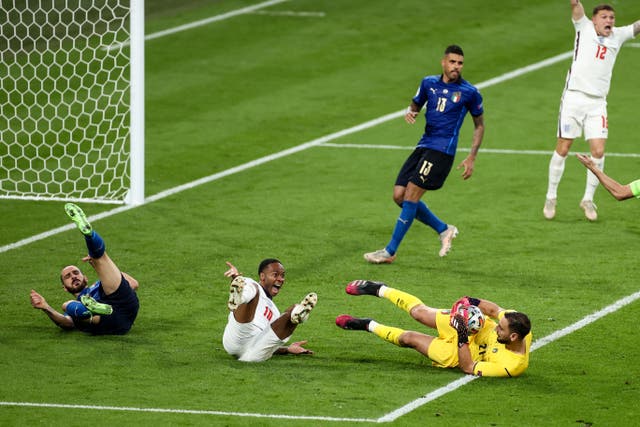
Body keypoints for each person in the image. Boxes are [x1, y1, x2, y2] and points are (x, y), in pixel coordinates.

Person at [364, 44, 484, 263]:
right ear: (443, 62)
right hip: (423, 146)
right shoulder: (428, 83)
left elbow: (479, 126)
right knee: (399, 196)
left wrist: (472, 156)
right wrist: (412, 112)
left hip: (442, 151)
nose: (456, 66)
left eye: (460, 63)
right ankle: (443, 229)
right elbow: (416, 103)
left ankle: (389, 251)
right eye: (453, 62)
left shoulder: (469, 92)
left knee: (411, 195)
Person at [543, 1, 640, 221]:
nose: (609, 21)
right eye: (605, 17)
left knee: (598, 151)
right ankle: (551, 196)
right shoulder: (583, 26)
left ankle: (587, 199)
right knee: (564, 146)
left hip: (598, 103)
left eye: (612, 17)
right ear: (594, 19)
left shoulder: (618, 35)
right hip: (574, 98)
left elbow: (636, 26)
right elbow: (575, 5)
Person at [336, 280, 532, 377]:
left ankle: (367, 324)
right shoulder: (516, 322)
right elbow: (493, 309)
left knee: (409, 339)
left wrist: (461, 333)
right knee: (419, 313)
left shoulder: (510, 367)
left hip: (462, 354)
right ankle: (379, 289)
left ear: (513, 336)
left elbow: (468, 367)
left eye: (501, 330)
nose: (497, 328)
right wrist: (470, 301)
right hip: (476, 327)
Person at [30, 203, 140, 335]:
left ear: (85, 278)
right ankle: (93, 310)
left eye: (76, 273)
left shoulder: (99, 284)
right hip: (107, 320)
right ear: (64, 287)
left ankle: (89, 234)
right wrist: (45, 307)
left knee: (99, 257)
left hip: (122, 303)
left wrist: (102, 269)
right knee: (66, 305)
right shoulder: (74, 307)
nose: (73, 277)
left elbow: (133, 284)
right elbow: (67, 323)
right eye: (68, 277)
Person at [222, 259, 317, 362]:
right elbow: (247, 286)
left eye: (282, 276)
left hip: (253, 353)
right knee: (252, 288)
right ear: (262, 276)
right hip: (239, 336)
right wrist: (235, 278)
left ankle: (298, 314)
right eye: (275, 275)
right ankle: (240, 297)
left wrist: (287, 349)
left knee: (292, 311)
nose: (281, 279)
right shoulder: (251, 284)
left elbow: (270, 342)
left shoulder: (275, 312)